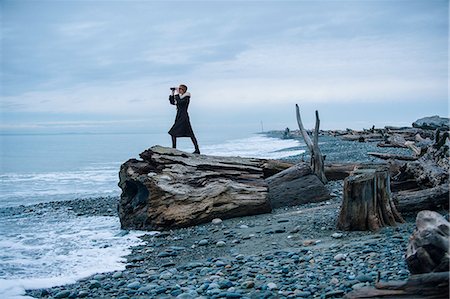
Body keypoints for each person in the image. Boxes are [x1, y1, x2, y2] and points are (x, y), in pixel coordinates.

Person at [168, 84, 200, 154]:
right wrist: (173, 93)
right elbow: (172, 102)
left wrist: (176, 94)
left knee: (188, 133)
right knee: (174, 133)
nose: (178, 90)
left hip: (184, 117)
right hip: (179, 116)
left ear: (183, 90)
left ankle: (197, 149)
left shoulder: (186, 97)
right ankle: (174, 148)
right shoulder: (179, 97)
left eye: (180, 89)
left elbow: (180, 102)